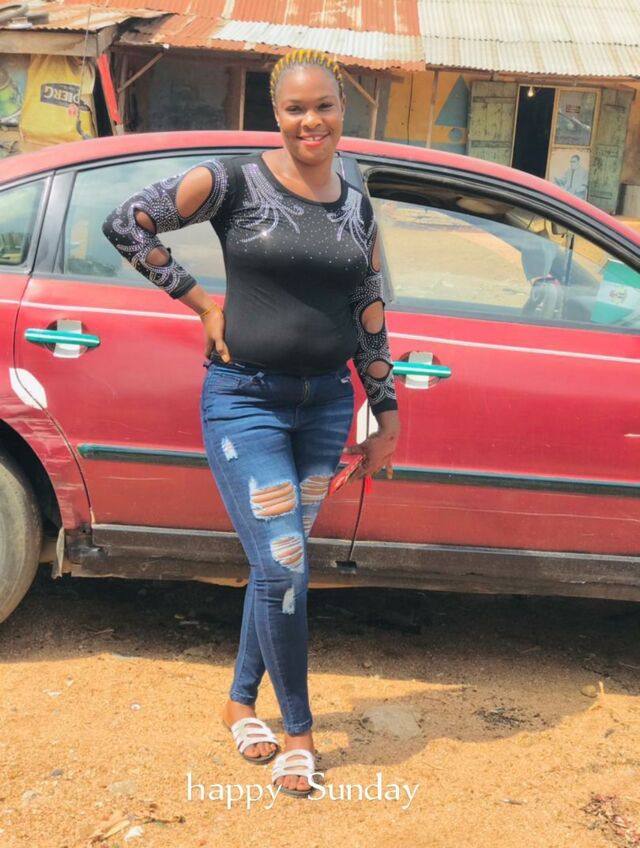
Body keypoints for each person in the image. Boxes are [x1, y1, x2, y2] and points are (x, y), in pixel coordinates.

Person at [101, 48, 400, 798]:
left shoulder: (357, 205)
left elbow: (368, 311)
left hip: (325, 405)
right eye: (296, 108)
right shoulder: (234, 182)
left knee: (277, 564)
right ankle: (300, 732)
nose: (311, 121)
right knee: (287, 563)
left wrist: (385, 410)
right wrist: (201, 303)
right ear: (277, 113)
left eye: (324, 106)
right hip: (246, 400)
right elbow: (126, 222)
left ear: (342, 110)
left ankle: (240, 701)